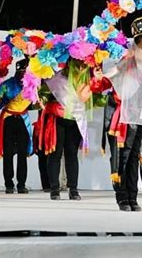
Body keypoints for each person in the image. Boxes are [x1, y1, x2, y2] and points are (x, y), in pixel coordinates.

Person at [91, 16, 142, 211]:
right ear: (136, 48)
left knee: (134, 157)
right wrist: (97, 75)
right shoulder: (125, 64)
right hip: (121, 118)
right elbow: (102, 84)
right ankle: (122, 197)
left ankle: (133, 197)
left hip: (141, 117)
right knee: (122, 157)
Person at [37, 59, 92, 200]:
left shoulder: (87, 78)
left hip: (75, 119)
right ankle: (54, 188)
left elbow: (97, 98)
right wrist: (42, 99)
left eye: (84, 65)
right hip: (58, 117)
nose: (81, 68)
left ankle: (73, 189)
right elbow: (43, 93)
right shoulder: (57, 78)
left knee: (72, 155)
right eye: (78, 64)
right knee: (55, 154)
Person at [0, 58, 32, 194]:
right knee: (8, 153)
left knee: (23, 153)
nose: (24, 75)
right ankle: (9, 184)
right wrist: (3, 100)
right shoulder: (7, 85)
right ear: (18, 71)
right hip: (8, 119)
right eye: (22, 72)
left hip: (22, 119)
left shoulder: (32, 85)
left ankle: (21, 184)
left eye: (26, 72)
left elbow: (34, 104)